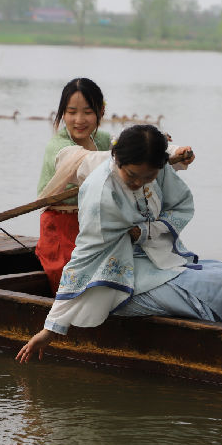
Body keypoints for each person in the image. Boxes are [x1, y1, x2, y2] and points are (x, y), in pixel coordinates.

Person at [18, 124, 222, 363]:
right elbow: (85, 256)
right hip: (121, 278)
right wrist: (51, 328)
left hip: (160, 258)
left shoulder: (158, 167)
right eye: (132, 176)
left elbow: (181, 205)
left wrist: (144, 232)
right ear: (116, 159)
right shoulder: (101, 194)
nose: (139, 183)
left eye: (149, 177)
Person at [35, 78, 194, 294]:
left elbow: (133, 149)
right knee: (76, 283)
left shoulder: (102, 139)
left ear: (101, 112)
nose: (79, 120)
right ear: (62, 113)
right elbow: (92, 162)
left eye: (88, 112)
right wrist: (136, 156)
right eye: (72, 112)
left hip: (99, 224)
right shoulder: (60, 148)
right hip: (62, 228)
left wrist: (171, 152)